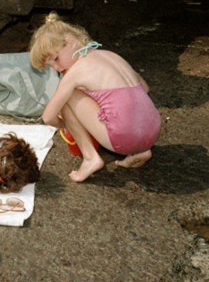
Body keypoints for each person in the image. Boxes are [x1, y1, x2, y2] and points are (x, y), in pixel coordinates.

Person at [29, 12, 160, 183]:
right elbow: (145, 88)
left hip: (124, 137)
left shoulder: (75, 72)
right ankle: (140, 150)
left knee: (67, 97)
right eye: (51, 66)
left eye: (56, 59)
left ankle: (90, 158)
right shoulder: (111, 56)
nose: (57, 68)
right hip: (152, 130)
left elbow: (48, 117)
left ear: (71, 42)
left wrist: (68, 125)